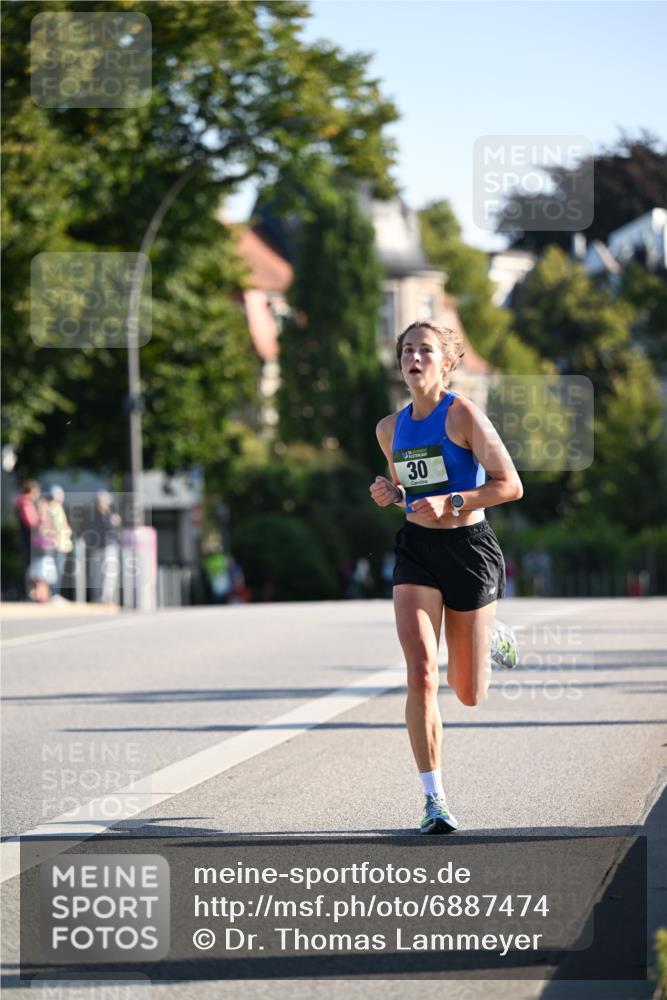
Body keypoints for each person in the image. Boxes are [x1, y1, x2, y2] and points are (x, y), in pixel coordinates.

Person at [369, 319, 523, 835]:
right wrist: (394, 497)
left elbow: (510, 485)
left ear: (446, 362)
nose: (415, 358)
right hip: (416, 551)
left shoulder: (464, 415)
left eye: (425, 350)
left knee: (469, 690)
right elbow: (411, 488)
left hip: (469, 549)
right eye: (407, 350)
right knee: (421, 672)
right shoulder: (388, 429)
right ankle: (434, 799)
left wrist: (454, 500)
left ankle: (489, 633)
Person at [13, 480, 40, 599]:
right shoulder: (25, 503)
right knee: (28, 566)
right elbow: (30, 521)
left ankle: (26, 592)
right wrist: (41, 521)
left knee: (27, 566)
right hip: (28, 539)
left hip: (25, 538)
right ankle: (26, 592)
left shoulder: (22, 502)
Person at [46, 485, 73, 601]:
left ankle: (55, 594)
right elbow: (55, 526)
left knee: (58, 570)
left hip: (61, 544)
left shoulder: (57, 507)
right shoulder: (53, 507)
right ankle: (53, 594)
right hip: (56, 544)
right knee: (55, 570)